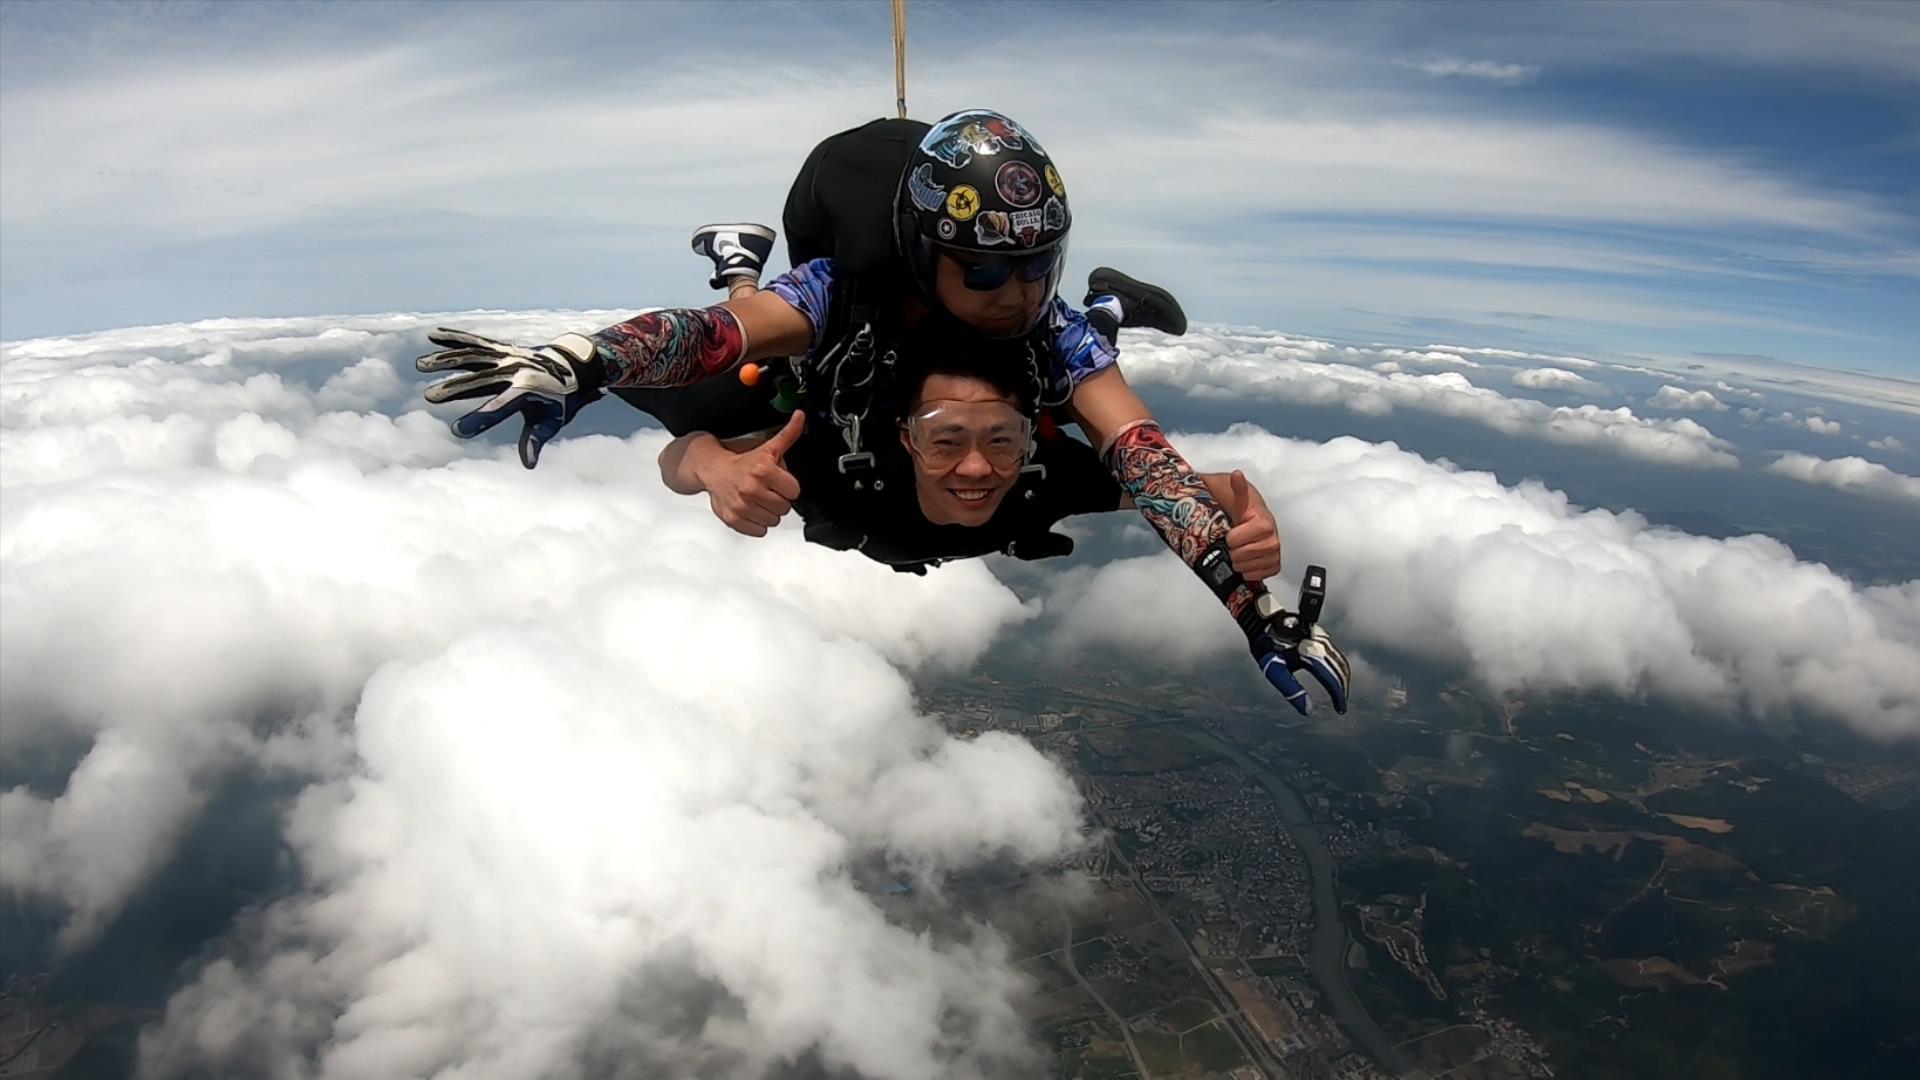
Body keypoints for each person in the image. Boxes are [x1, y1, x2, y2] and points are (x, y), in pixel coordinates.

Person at [416, 109, 1349, 713]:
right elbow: (716, 337)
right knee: (763, 381)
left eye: (1037, 265)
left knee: (1077, 356)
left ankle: (1106, 301)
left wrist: (1251, 605)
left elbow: (1146, 459)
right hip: (836, 378)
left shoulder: (1041, 351)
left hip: (955, 417)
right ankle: (739, 252)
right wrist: (587, 364)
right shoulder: (848, 305)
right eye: (984, 268)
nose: (1013, 294)